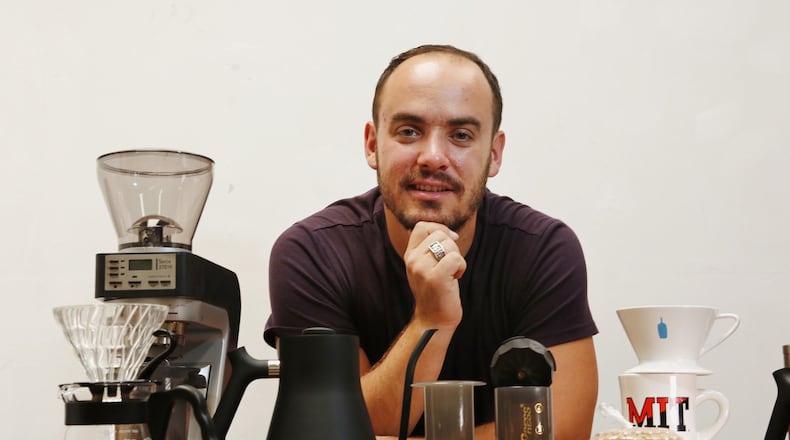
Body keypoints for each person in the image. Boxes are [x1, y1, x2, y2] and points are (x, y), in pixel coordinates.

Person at [264, 44, 599, 439]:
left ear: (494, 154)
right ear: (372, 144)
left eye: (461, 135)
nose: (433, 157)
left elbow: (564, 429)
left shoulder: (543, 250)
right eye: (409, 131)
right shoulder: (311, 254)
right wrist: (431, 322)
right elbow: (332, 432)